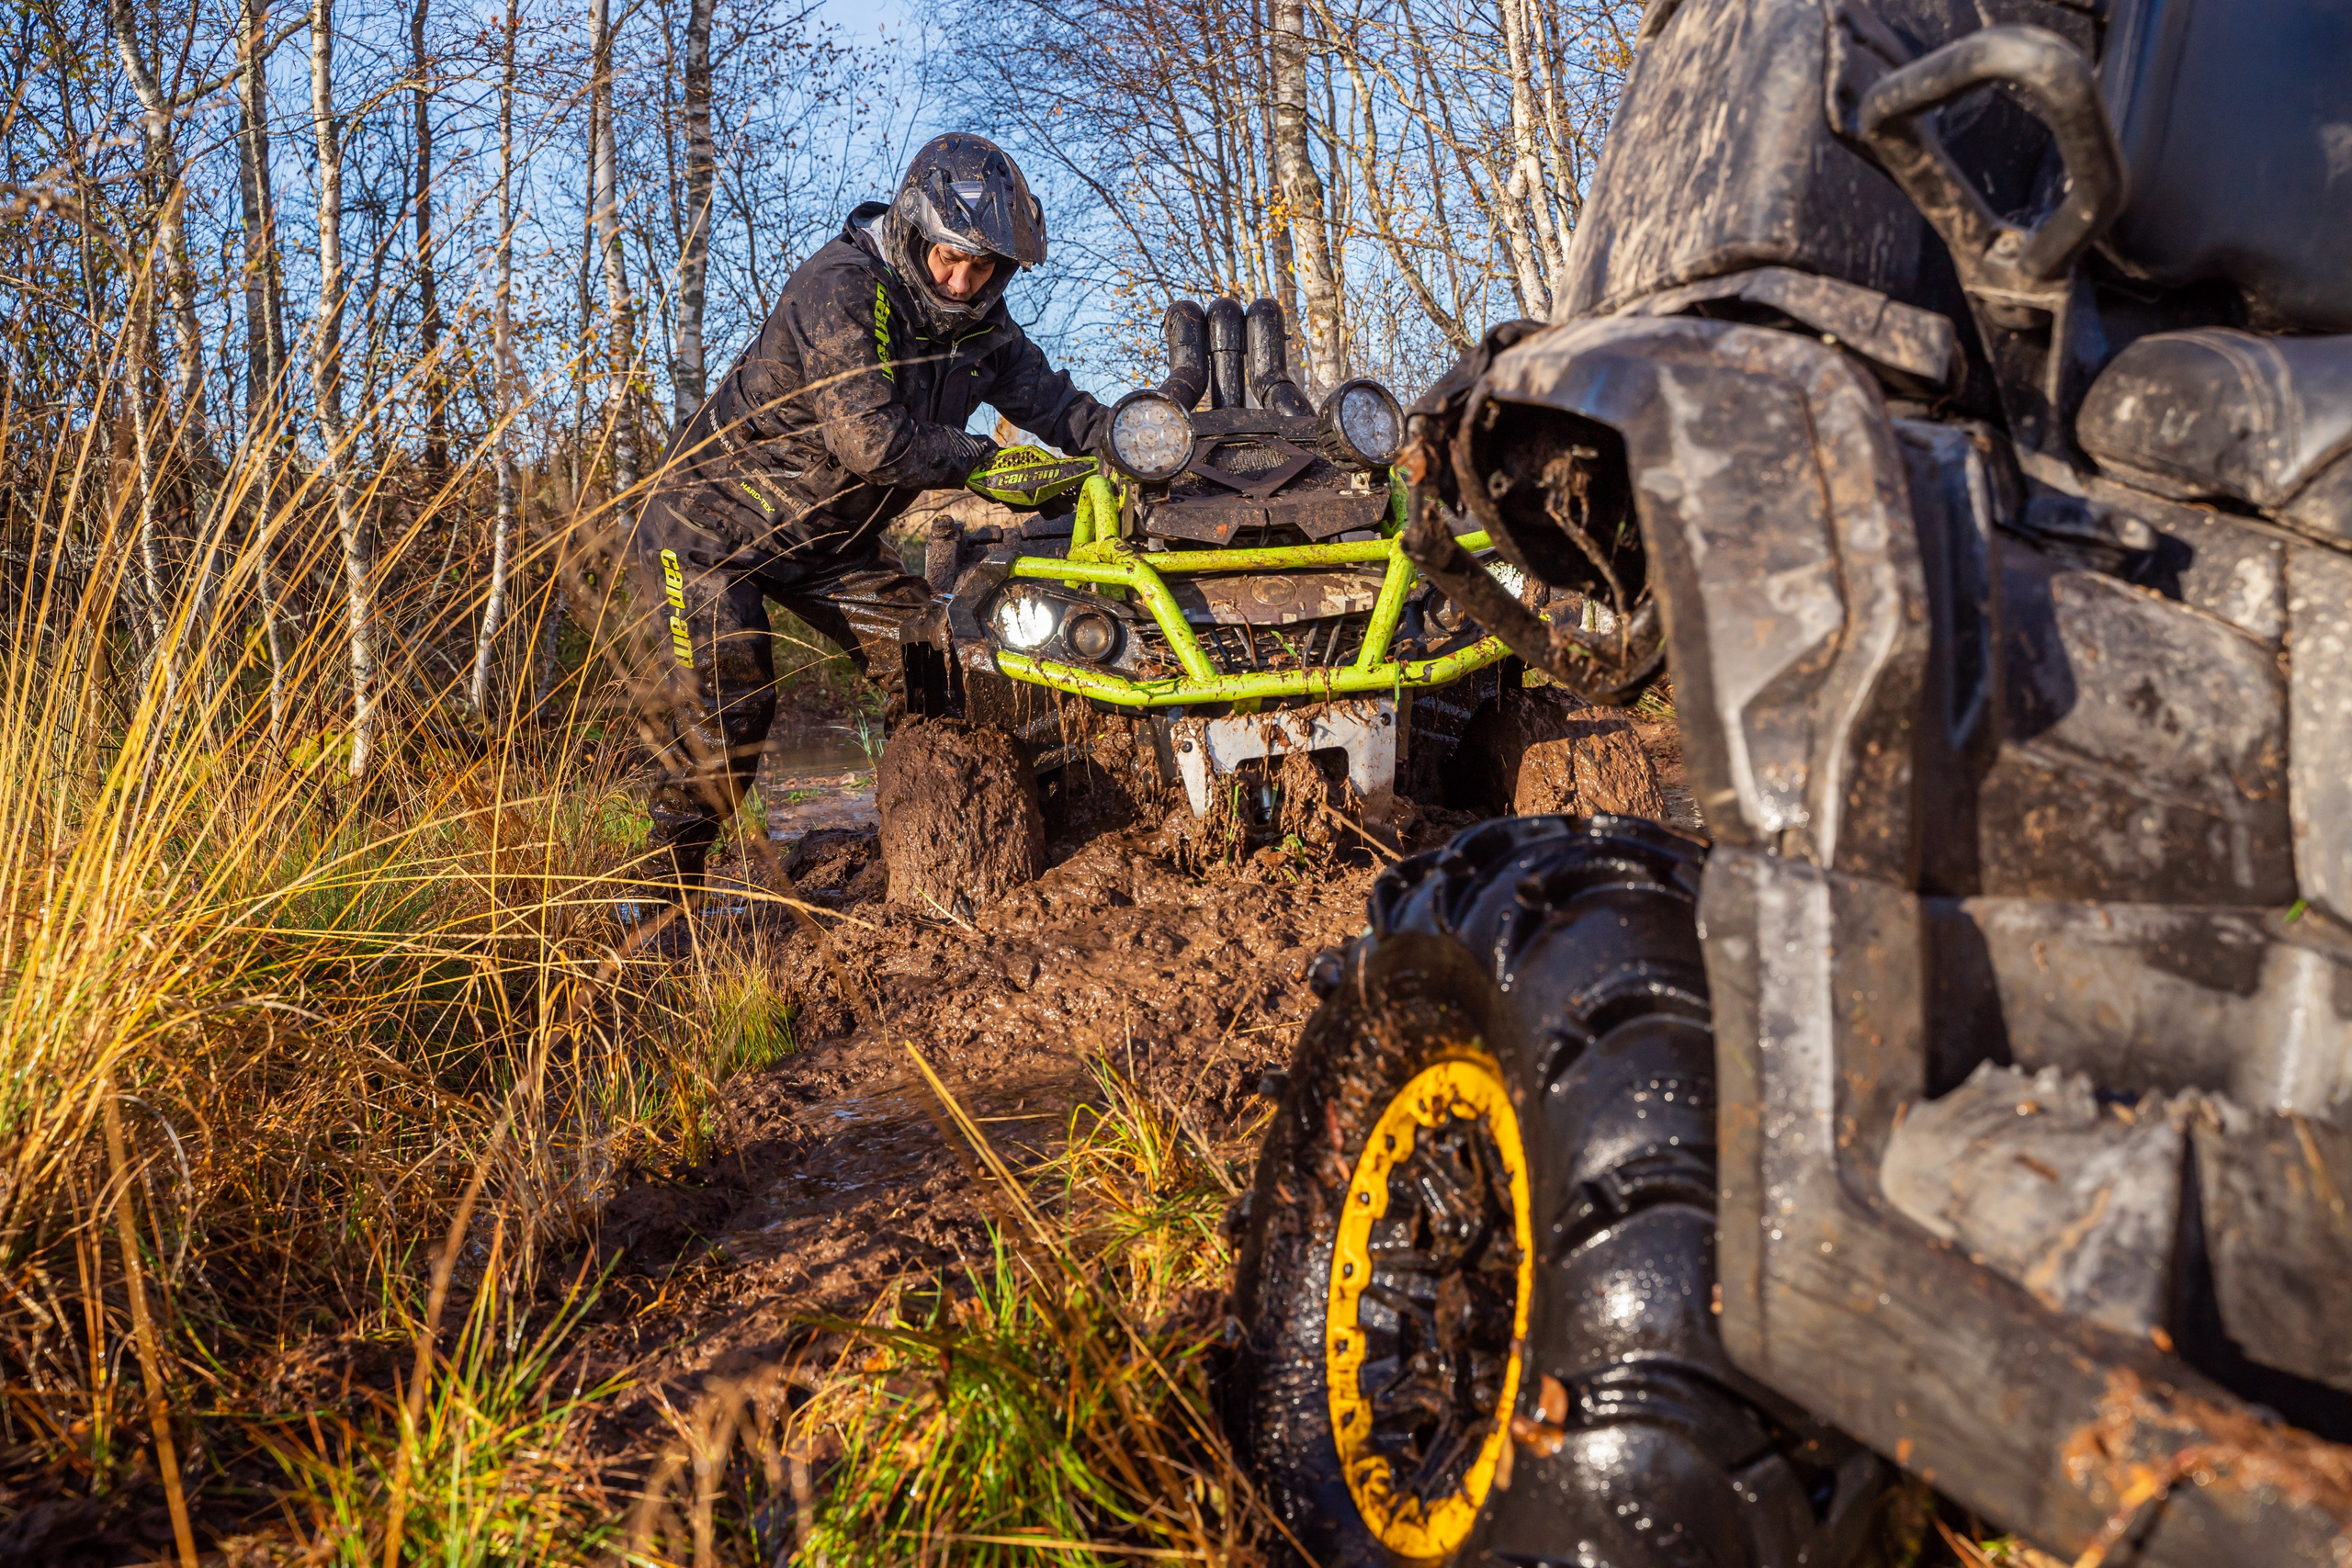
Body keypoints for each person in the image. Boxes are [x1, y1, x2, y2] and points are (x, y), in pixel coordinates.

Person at [628, 132, 1109, 907]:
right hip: (711, 529)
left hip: (830, 541)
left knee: (938, 665)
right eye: (949, 258)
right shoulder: (844, 285)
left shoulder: (981, 324)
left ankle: (926, 855)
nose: (961, 281)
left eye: (982, 266)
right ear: (916, 231)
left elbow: (1058, 405)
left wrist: (1134, 443)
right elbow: (870, 440)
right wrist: (986, 461)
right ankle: (650, 906)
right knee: (729, 718)